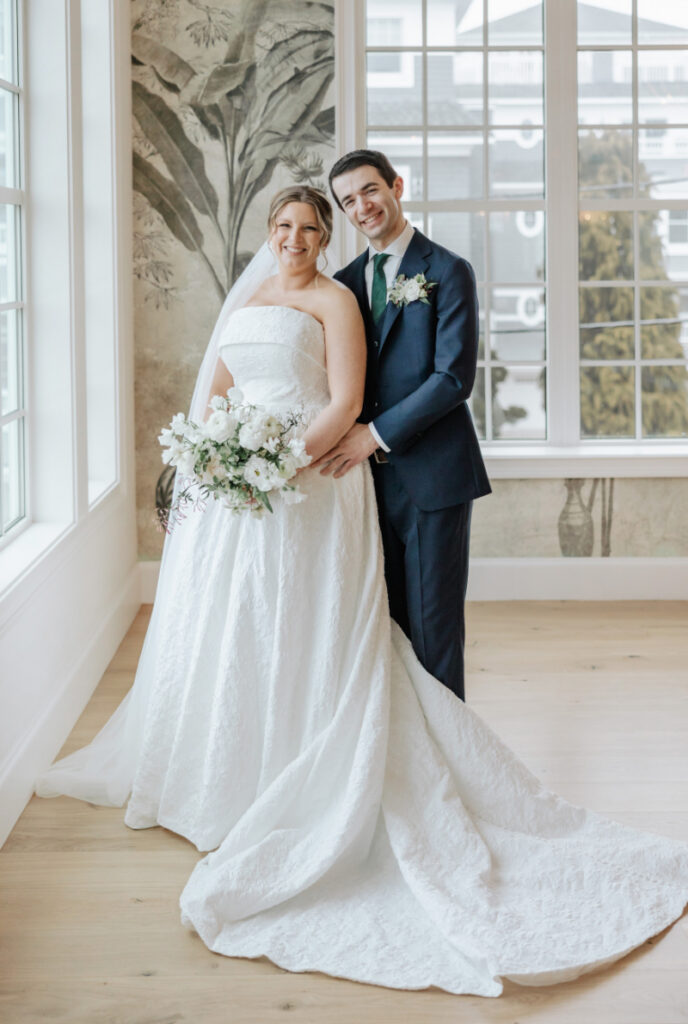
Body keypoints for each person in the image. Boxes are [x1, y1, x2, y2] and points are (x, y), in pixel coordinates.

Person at [34, 185, 688, 998]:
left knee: (312, 624)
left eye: (312, 227)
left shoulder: (340, 299)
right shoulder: (251, 296)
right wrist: (211, 455)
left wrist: (278, 463)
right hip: (240, 487)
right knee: (233, 628)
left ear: (330, 230)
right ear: (269, 233)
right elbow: (219, 392)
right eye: (285, 227)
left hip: (307, 479)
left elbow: (345, 400)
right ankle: (220, 772)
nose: (296, 239)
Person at [315, 149, 491, 702]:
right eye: (349, 201)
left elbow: (451, 379)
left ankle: (450, 762)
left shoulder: (446, 270)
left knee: (434, 627)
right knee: (382, 622)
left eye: (370, 190)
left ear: (396, 185)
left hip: (433, 476)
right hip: (362, 485)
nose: (362, 206)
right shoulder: (342, 285)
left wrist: (373, 435)